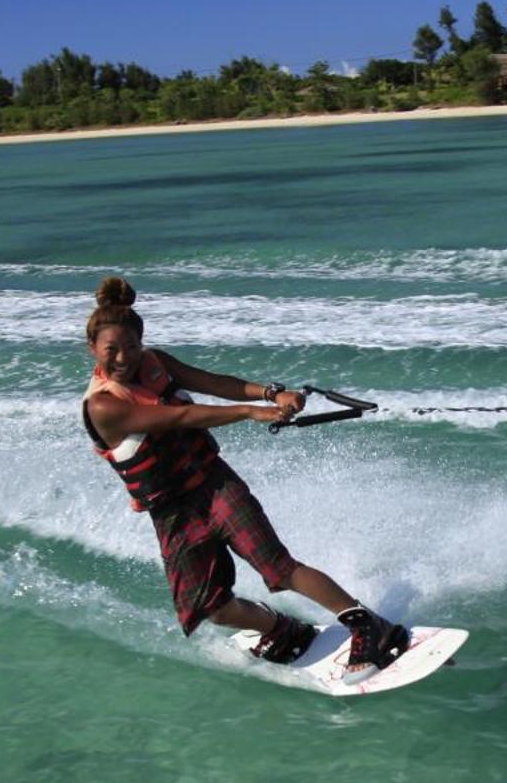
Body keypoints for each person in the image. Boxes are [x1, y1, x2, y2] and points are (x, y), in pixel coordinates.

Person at [80, 276, 410, 668]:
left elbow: (214, 383)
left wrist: (272, 394)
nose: (124, 358)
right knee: (212, 608)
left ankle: (371, 627)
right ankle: (282, 630)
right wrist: (250, 412)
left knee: (279, 568)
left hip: (214, 485)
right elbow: (181, 415)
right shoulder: (104, 406)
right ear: (92, 350)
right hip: (174, 513)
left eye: (131, 347)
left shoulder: (156, 362)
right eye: (111, 350)